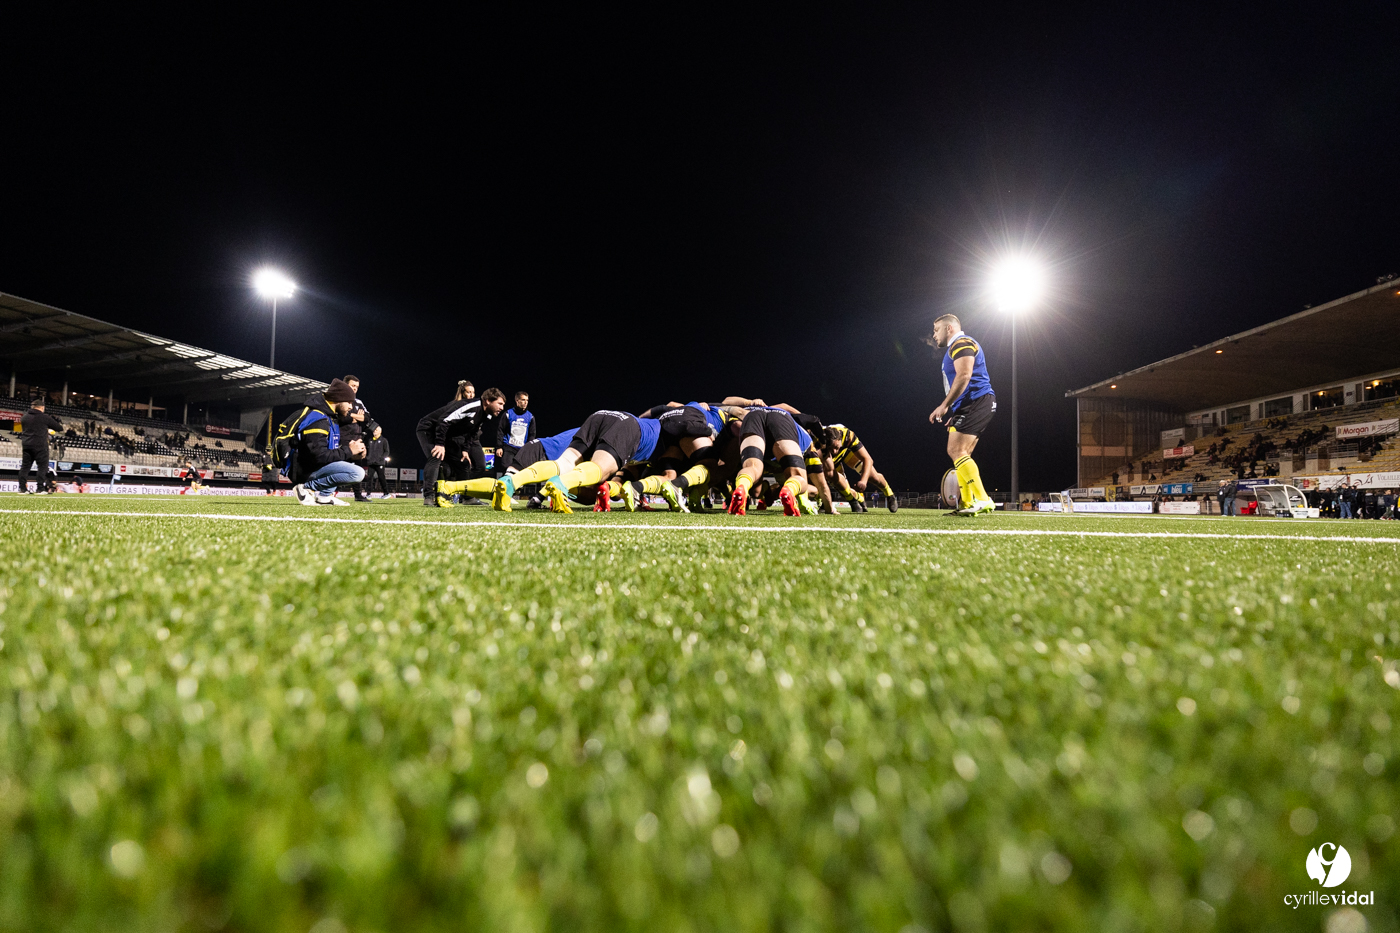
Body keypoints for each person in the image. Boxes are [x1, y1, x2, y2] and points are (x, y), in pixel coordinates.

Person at [493, 409, 661, 513]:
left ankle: (511, 481)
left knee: (564, 463)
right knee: (598, 470)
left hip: (603, 415)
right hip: (628, 426)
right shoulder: (667, 439)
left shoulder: (657, 422)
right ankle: (561, 485)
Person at [926, 313, 996, 515]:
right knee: (961, 454)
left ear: (949, 328)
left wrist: (944, 405)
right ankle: (966, 503)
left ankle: (982, 499)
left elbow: (964, 375)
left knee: (956, 450)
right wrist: (956, 410)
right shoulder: (957, 346)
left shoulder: (961, 343)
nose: (934, 334)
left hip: (977, 400)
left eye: (936, 329)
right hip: (972, 403)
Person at [415, 387, 507, 507]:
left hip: (446, 434)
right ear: (488, 401)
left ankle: (468, 498)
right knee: (436, 457)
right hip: (429, 428)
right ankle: (429, 496)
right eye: (499, 403)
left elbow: (472, 433)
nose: (502, 408)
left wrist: (465, 450)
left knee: (463, 464)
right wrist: (439, 444)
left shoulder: (485, 415)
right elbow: (444, 421)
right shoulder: (471, 407)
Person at [283, 379, 366, 506]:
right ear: (338, 399)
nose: (351, 407)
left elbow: (328, 451)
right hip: (303, 469)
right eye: (349, 402)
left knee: (346, 463)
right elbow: (319, 455)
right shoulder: (318, 419)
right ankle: (306, 487)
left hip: (311, 465)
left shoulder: (329, 417)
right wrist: (348, 451)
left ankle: (325, 496)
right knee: (357, 473)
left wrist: (352, 453)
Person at [821, 423, 898, 513]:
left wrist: (863, 481)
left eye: (836, 447)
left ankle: (889, 494)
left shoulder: (847, 435)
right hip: (828, 460)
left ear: (840, 439)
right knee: (840, 486)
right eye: (831, 448)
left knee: (873, 476)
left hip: (845, 453)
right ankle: (857, 498)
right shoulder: (818, 438)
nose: (834, 451)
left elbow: (867, 459)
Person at [340, 375, 380, 502]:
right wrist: (356, 416)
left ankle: (358, 495)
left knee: (358, 467)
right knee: (339, 466)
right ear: (345, 385)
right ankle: (327, 492)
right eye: (353, 386)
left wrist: (351, 416)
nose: (355, 389)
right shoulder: (339, 400)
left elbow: (367, 418)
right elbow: (341, 418)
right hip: (342, 439)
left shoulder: (359, 402)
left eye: (357, 387)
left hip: (357, 438)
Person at [19, 398, 63, 495]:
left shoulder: (24, 417)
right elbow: (59, 428)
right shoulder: (45, 417)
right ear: (42, 408)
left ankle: (22, 489)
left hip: (26, 444)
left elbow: (32, 428)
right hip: (40, 445)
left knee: (25, 467)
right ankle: (40, 488)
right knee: (42, 467)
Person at [498, 391, 536, 472]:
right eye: (523, 400)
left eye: (527, 400)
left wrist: (529, 449)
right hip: (509, 447)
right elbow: (500, 430)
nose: (525, 402)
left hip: (522, 449)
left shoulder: (530, 416)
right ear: (517, 401)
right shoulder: (508, 414)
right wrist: (499, 447)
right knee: (506, 467)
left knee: (519, 471)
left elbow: (532, 434)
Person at [363, 427, 392, 498]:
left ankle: (386, 493)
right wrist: (368, 457)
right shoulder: (370, 440)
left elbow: (387, 452)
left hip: (380, 463)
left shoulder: (384, 440)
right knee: (369, 478)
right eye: (374, 430)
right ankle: (368, 494)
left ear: (380, 432)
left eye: (376, 430)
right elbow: (367, 450)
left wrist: (381, 458)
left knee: (381, 478)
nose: (374, 431)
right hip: (371, 463)